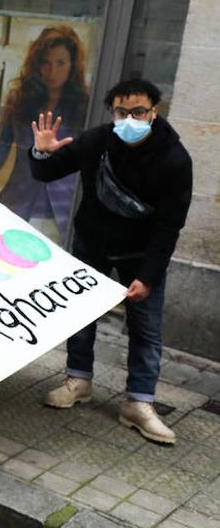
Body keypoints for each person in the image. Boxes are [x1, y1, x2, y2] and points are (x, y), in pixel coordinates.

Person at [32, 80, 192, 444]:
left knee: (145, 329)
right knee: (81, 315)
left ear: (154, 112)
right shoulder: (98, 140)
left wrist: (149, 276)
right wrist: (41, 153)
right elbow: (46, 172)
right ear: (113, 113)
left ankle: (138, 402)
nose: (131, 119)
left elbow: (170, 226)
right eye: (122, 112)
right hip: (94, 245)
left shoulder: (174, 159)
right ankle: (78, 380)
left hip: (142, 254)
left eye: (139, 112)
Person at [0, 26, 90, 241]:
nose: (52, 71)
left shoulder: (83, 105)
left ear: (73, 65)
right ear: (37, 65)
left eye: (61, 63)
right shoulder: (20, 98)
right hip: (19, 200)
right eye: (45, 62)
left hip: (63, 210)